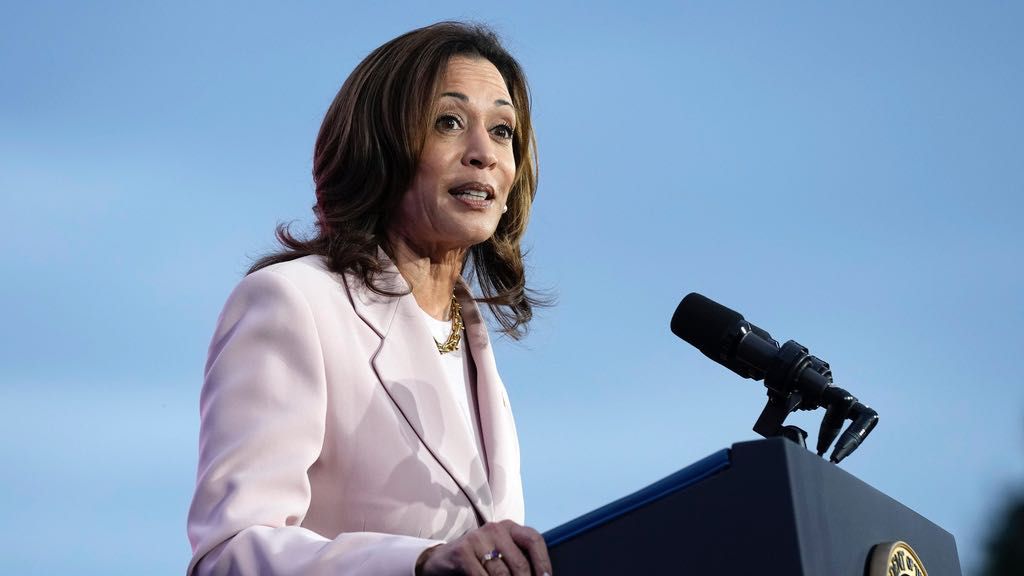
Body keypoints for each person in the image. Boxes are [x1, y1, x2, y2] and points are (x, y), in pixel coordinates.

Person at [186, 21, 553, 576]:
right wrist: (419, 564)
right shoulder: (294, 304)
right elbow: (229, 554)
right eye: (448, 122)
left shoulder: (471, 339)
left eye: (503, 131)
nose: (484, 153)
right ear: (380, 146)